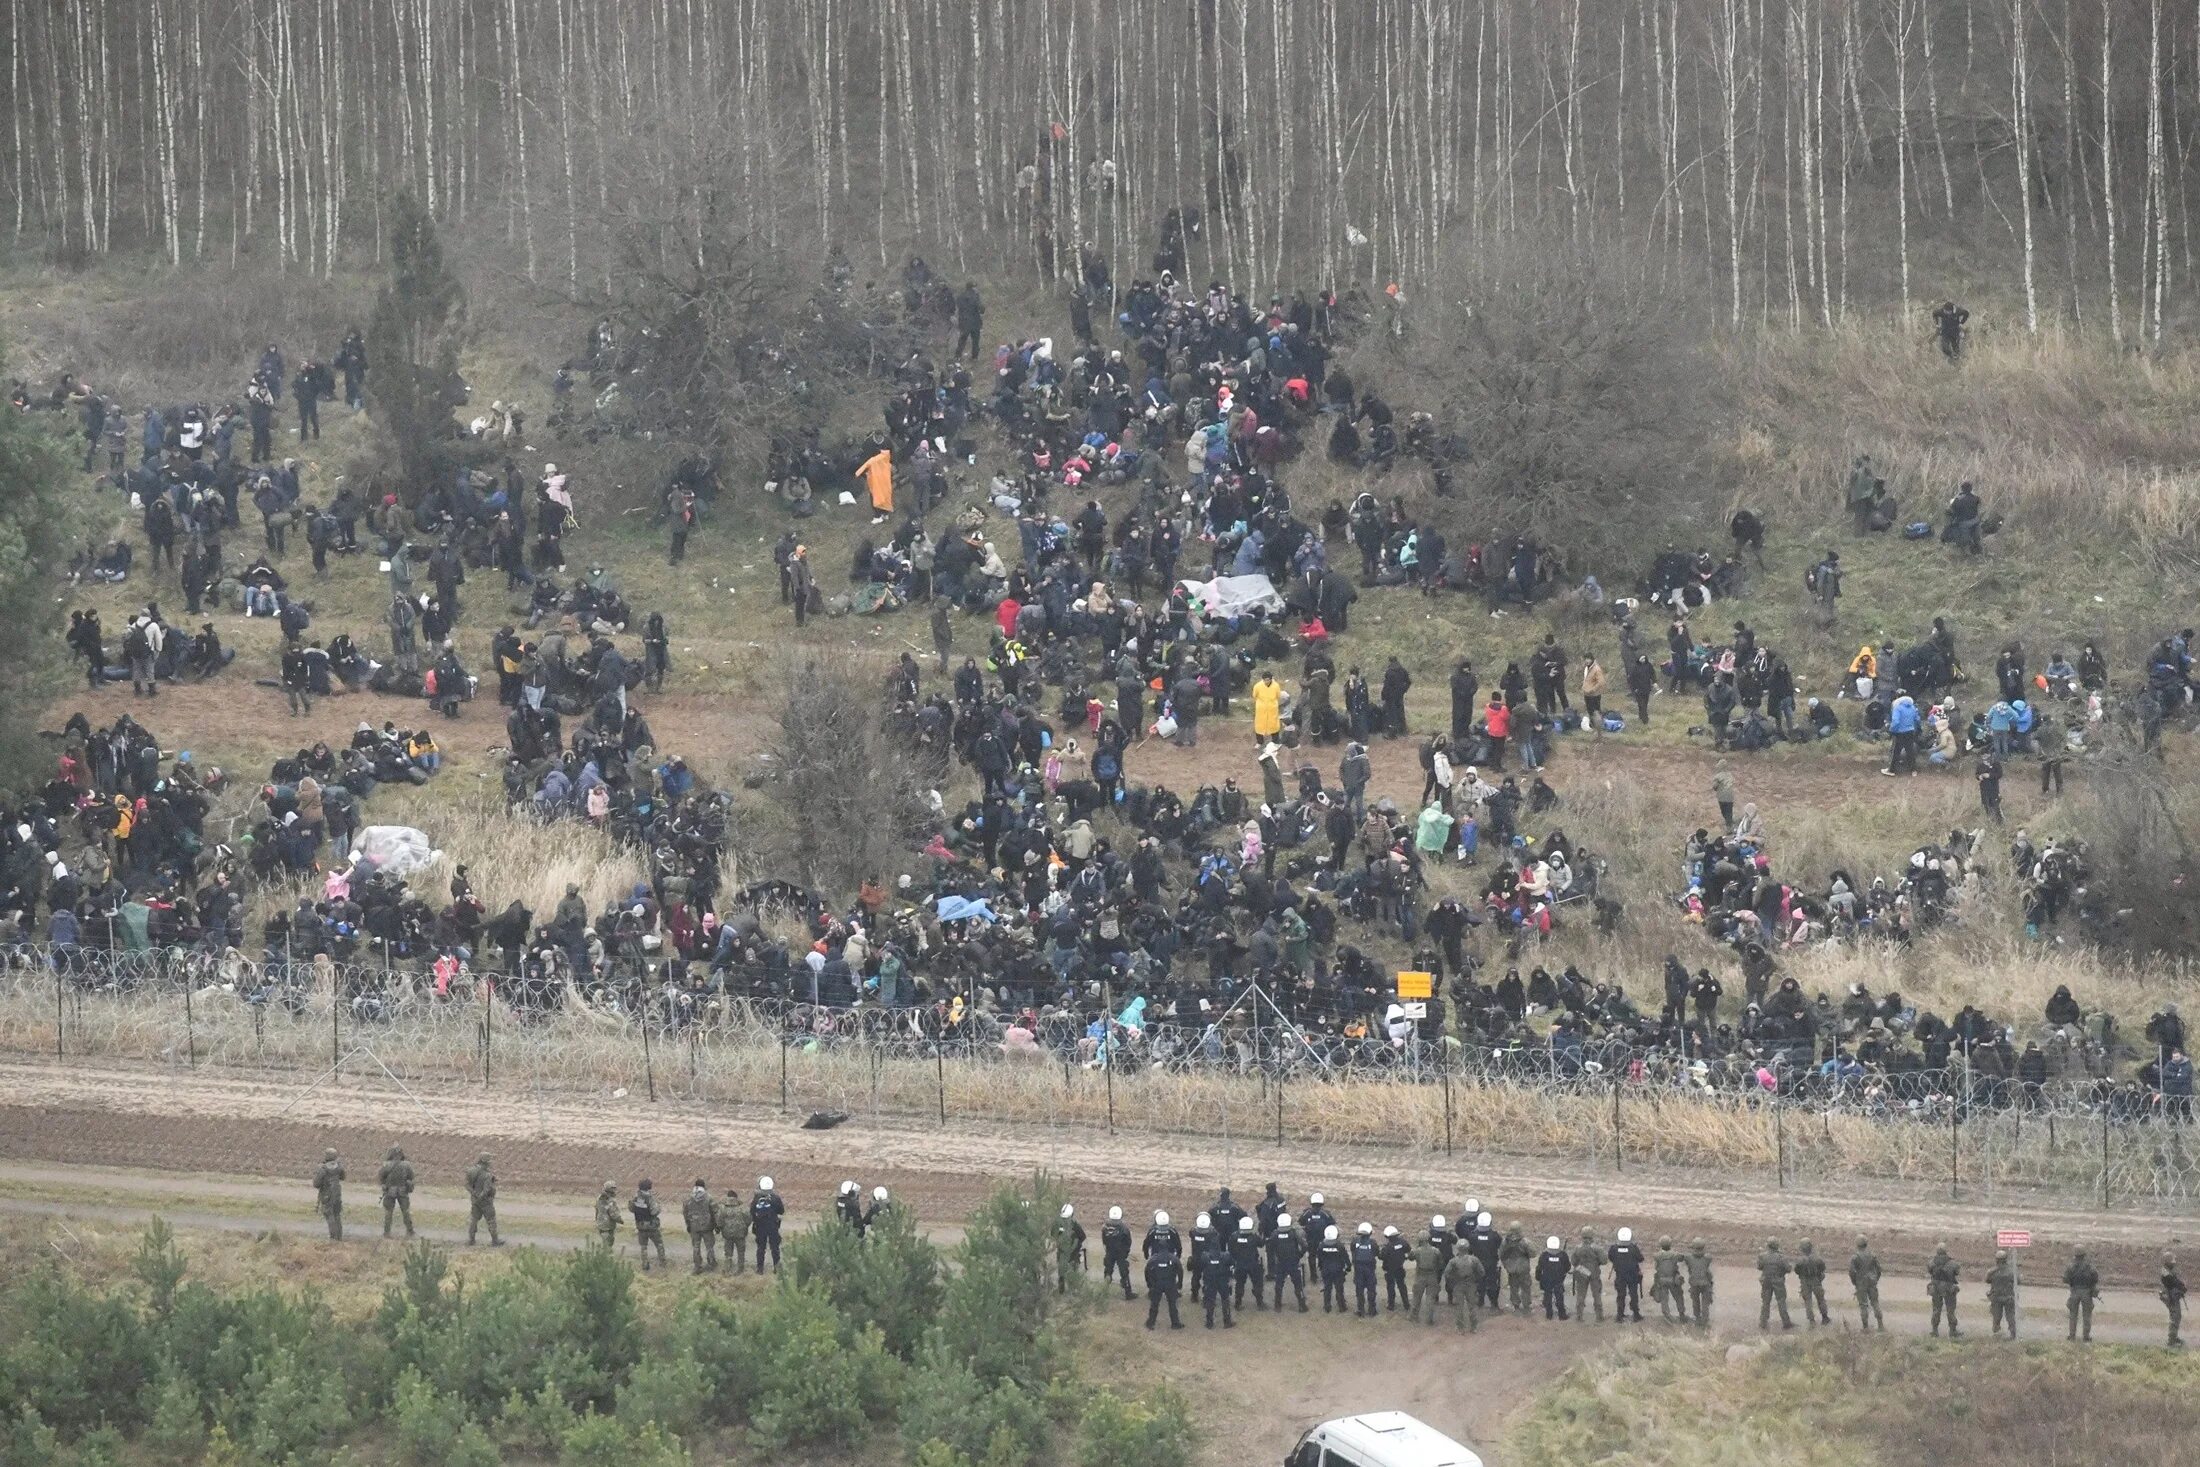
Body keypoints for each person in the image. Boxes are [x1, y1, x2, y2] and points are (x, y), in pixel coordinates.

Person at [1146, 1220, 1186, 1330]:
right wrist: (1179, 1283)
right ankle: (1175, 1323)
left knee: (1154, 1305)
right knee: (1172, 1304)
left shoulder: (1153, 1259)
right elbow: (1180, 1271)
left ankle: (1150, 1323)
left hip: (1157, 1284)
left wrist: (1150, 1284)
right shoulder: (1173, 1258)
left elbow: (1147, 1271)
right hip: (1170, 1284)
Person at [1568, 1227, 1606, 1323]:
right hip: (1594, 1274)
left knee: (1580, 1295)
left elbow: (1573, 1261)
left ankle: (1579, 1316)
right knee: (1597, 1295)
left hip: (1581, 1274)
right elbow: (1604, 1261)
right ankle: (1599, 1317)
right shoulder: (1597, 1248)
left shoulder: (1577, 1248)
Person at [1607, 1227, 1645, 1322]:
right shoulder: (1633, 1248)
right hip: (1632, 1275)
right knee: (1633, 1295)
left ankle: (1620, 1315)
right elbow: (1640, 1258)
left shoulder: (1614, 1248)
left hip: (1620, 1275)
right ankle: (1636, 1314)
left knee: (1621, 1295)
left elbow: (1611, 1257)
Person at [464, 1152, 501, 1247]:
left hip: (475, 1201)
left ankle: (471, 1240)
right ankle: (495, 1241)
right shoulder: (487, 1175)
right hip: (486, 1202)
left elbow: (467, 1185)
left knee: (474, 1220)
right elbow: (487, 1189)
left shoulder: (471, 1171)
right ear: (486, 1162)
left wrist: (474, 1194)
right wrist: (481, 1196)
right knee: (491, 1220)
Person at [750, 1175, 786, 1272]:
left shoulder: (756, 1198)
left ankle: (760, 1269)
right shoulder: (775, 1198)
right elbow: (781, 1211)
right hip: (773, 1226)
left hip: (760, 1226)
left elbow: (752, 1211)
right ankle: (777, 1268)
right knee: (775, 1248)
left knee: (761, 1248)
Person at [1756, 1237, 1793, 1330]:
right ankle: (1786, 1322)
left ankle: (1763, 1322)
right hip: (1778, 1282)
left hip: (1766, 1281)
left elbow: (1759, 1267)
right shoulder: (1781, 1257)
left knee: (1765, 1302)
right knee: (1781, 1302)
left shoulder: (1762, 1256)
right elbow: (1788, 1269)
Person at [1849, 1236, 1885, 1331]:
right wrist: (1875, 1279)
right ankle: (1880, 1325)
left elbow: (1852, 1272)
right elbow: (1879, 1269)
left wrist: (1855, 1282)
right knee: (1875, 1303)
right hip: (1872, 1282)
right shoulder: (1872, 1255)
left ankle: (1865, 1327)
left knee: (1863, 1305)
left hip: (1861, 1283)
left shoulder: (1855, 1257)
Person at [630, 1179, 667, 1271]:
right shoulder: (650, 1198)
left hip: (640, 1226)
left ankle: (645, 1264)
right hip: (652, 1226)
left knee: (643, 1246)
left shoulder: (635, 1197)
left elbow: (631, 1208)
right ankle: (662, 1263)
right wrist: (659, 1207)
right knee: (659, 1244)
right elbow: (654, 1211)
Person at [1927, 1242, 1963, 1337]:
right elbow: (1957, 1272)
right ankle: (1953, 1331)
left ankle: (1934, 1331)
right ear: (1946, 1251)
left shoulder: (1931, 1262)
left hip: (1936, 1288)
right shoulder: (1953, 1263)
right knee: (1950, 1310)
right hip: (1949, 1288)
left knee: (1936, 1309)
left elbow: (1930, 1271)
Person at [684, 1180, 720, 1272]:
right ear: (704, 1187)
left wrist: (688, 1224)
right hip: (707, 1226)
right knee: (709, 1246)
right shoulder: (708, 1197)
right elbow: (715, 1212)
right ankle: (711, 1264)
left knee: (696, 1246)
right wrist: (717, 1225)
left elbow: (685, 1213)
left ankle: (697, 1266)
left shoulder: (688, 1198)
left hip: (694, 1226)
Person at [2065, 1246, 2099, 1342]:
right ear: (2084, 1254)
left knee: (2073, 1315)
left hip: (2075, 1291)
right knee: (2087, 1316)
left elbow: (2065, 1279)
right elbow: (2095, 1277)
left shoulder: (2071, 1266)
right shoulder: (2089, 1266)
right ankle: (2086, 1337)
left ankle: (2072, 1337)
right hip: (2086, 1293)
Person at [1102, 1206, 1135, 1299]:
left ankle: (1103, 1292)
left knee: (1108, 1271)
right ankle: (1128, 1292)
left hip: (1109, 1252)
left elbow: (1104, 1240)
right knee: (1124, 1273)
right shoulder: (1124, 1228)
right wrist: (1126, 1252)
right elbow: (1128, 1241)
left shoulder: (1105, 1227)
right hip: (1121, 1254)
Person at [1794, 1239, 1829, 1326]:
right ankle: (1825, 1317)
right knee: (1821, 1299)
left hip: (1805, 1282)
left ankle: (1811, 1320)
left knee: (1808, 1301)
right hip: (1816, 1281)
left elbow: (1796, 1270)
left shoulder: (1800, 1260)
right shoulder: (1817, 1258)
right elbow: (1823, 1267)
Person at [1535, 1236, 1572, 1320]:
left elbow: (1539, 1268)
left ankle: (1549, 1315)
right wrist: (1562, 1272)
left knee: (1548, 1296)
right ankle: (1562, 1315)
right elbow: (1568, 1267)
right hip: (1558, 1279)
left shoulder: (1544, 1255)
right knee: (1559, 1297)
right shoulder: (1563, 1254)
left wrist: (1538, 1277)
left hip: (1546, 1279)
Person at [312, 1148, 345, 1241]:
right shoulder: (339, 1167)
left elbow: (316, 1184)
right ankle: (339, 1237)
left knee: (329, 1216)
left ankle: (333, 1238)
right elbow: (343, 1177)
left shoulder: (323, 1169)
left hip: (327, 1195)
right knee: (337, 1215)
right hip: (337, 1194)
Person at [1650, 1236, 1685, 1323]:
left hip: (1662, 1280)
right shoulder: (1675, 1254)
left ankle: (1668, 1316)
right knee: (1678, 1297)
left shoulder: (1657, 1255)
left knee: (1664, 1300)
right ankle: (1681, 1314)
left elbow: (1656, 1264)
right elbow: (1682, 1257)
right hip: (1673, 1279)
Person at [1056, 1204, 1088, 1293]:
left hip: (1061, 1252)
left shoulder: (1058, 1223)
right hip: (1073, 1252)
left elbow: (1053, 1234)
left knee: (1061, 1271)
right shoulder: (1074, 1225)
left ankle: (1061, 1290)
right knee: (1073, 1270)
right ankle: (1073, 1290)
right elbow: (1083, 1236)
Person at [1987, 1249, 2018, 1338]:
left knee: (1996, 1316)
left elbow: (1987, 1280)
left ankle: (1996, 1333)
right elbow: (2018, 1281)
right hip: (2009, 1297)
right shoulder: (2012, 1271)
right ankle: (2013, 1333)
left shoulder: (1992, 1271)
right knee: (2010, 1316)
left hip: (1996, 1297)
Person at [1685, 1239, 1715, 1328]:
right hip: (1706, 1283)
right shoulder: (1708, 1258)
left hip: (1694, 1283)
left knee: (1695, 1302)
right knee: (1705, 1303)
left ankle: (1697, 1318)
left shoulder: (1688, 1258)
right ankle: (1705, 1320)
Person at [718, 1185, 751, 1264]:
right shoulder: (742, 1208)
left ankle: (727, 1267)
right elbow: (748, 1219)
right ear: (736, 1197)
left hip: (727, 1234)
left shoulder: (723, 1208)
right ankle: (740, 1268)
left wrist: (722, 1228)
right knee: (741, 1252)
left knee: (728, 1252)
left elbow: (719, 1221)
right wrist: (745, 1227)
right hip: (740, 1233)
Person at [2163, 1253, 2187, 1348]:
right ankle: (2171, 1341)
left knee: (2177, 1317)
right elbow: (2174, 1283)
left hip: (2173, 1297)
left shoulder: (2169, 1271)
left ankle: (2174, 1337)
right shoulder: (2166, 1274)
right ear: (2168, 1262)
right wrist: (2182, 1287)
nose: (2174, 1263)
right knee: (2175, 1318)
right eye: (2172, 1261)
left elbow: (2176, 1282)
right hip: (2171, 1298)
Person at [595, 1182, 621, 1250]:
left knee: (605, 1242)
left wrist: (597, 1220)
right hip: (608, 1225)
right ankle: (605, 1257)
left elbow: (597, 1210)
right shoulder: (611, 1200)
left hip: (600, 1224)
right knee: (608, 1243)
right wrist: (620, 1220)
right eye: (613, 1188)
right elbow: (613, 1214)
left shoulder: (599, 1198)